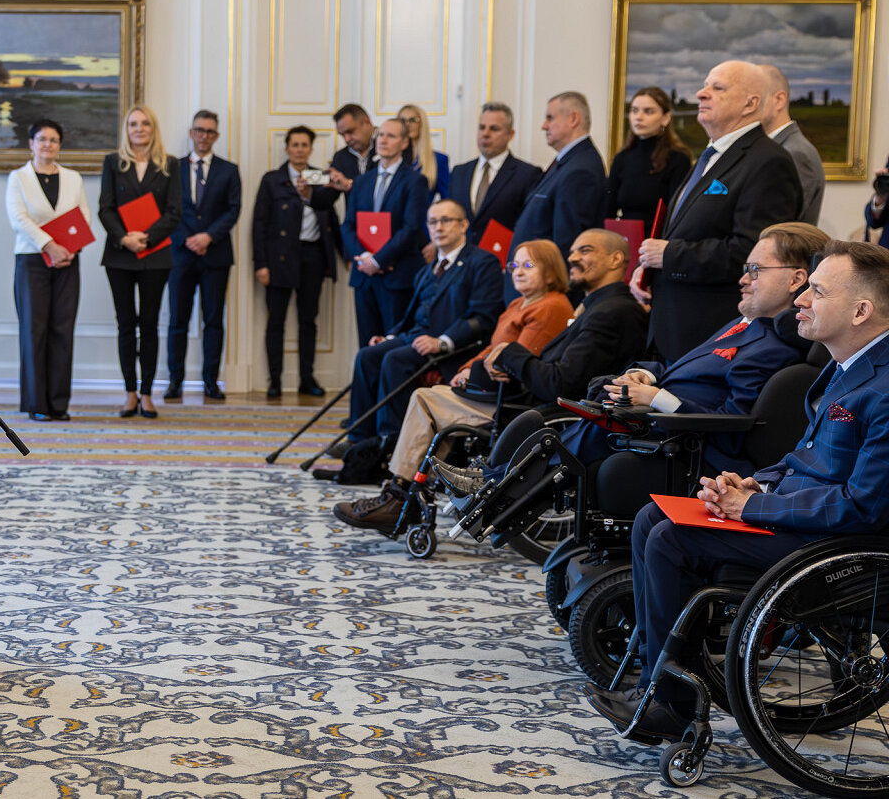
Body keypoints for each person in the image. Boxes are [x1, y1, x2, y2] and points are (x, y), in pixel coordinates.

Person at [587, 240, 889, 744]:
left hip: (842, 547)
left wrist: (755, 506)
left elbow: (864, 506)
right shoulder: (846, 367)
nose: (800, 300)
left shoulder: (883, 386)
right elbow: (806, 457)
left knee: (672, 539)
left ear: (860, 311)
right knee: (650, 519)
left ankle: (673, 705)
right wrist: (756, 483)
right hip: (801, 517)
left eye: (817, 291)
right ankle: (659, 679)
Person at [432, 223, 827, 506]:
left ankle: (494, 489)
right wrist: (647, 374)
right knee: (587, 414)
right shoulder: (741, 325)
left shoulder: (773, 346)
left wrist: (657, 399)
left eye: (755, 270)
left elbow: (736, 424)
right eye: (745, 269)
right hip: (663, 426)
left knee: (593, 425)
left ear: (796, 279)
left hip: (692, 445)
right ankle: (493, 484)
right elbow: (680, 367)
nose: (743, 279)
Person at [335, 229, 647, 531]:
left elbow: (558, 382)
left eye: (585, 250)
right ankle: (404, 494)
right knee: (419, 390)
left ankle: (400, 496)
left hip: (532, 407)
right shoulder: (591, 307)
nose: (573, 257)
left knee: (423, 398)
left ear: (616, 259)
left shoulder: (606, 311)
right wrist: (491, 361)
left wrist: (508, 354)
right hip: (521, 398)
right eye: (572, 251)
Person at [340, 239, 571, 497]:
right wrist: (466, 369)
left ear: (550, 271)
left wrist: (478, 368)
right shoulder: (519, 304)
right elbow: (493, 349)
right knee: (423, 393)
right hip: (491, 393)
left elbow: (515, 360)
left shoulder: (551, 306)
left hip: (510, 401)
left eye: (528, 265)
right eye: (514, 265)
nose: (518, 271)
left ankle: (401, 486)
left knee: (424, 399)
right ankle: (415, 479)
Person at [633, 60, 804, 362]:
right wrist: (649, 268)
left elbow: (751, 254)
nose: (701, 94)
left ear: (750, 103)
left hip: (712, 333)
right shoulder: (711, 155)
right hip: (671, 326)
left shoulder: (768, 162)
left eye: (718, 87)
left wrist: (670, 255)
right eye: (704, 85)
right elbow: (685, 232)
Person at [334, 200, 503, 452]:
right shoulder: (426, 271)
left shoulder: (482, 262)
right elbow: (412, 317)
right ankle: (359, 440)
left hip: (453, 347)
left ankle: (390, 442)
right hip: (415, 338)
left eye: (446, 220)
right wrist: (390, 336)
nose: (439, 227)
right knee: (367, 355)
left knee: (394, 359)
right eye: (432, 222)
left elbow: (483, 317)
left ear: (463, 225)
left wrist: (442, 341)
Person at [99, 105, 181, 417]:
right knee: (125, 325)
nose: (139, 129)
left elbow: (175, 211)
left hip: (155, 255)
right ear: (127, 129)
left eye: (145, 123)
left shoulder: (169, 164)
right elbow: (105, 208)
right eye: (133, 124)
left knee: (149, 325)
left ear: (153, 127)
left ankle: (147, 393)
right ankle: (130, 393)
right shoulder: (113, 162)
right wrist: (124, 238)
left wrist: (146, 238)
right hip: (120, 256)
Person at [5, 120, 89, 421]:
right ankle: (37, 404)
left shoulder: (73, 178)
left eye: (53, 140)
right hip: (32, 261)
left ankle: (58, 404)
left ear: (59, 145)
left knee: (62, 331)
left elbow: (83, 216)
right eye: (42, 139)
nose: (47, 144)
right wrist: (50, 246)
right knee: (34, 331)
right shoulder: (18, 178)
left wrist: (70, 249)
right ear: (31, 143)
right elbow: (19, 219)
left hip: (68, 261)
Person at [254, 125, 341, 399]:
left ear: (311, 149)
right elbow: (259, 224)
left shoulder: (321, 177)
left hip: (312, 255)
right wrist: (261, 264)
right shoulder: (272, 179)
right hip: (279, 258)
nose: (300, 150)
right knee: (276, 321)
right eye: (295, 145)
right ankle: (275, 380)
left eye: (305, 145)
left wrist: (341, 254)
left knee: (308, 320)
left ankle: (307, 378)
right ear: (287, 148)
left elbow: (330, 215)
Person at [165, 109, 241, 401]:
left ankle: (211, 381)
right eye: (199, 130)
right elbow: (166, 208)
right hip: (180, 255)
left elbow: (233, 210)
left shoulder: (229, 170)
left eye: (209, 131)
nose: (204, 136)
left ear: (216, 136)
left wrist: (208, 236)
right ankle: (175, 381)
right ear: (191, 133)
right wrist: (187, 239)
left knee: (213, 321)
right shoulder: (173, 168)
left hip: (216, 255)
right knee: (177, 322)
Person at [507, 91, 607, 301]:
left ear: (573, 119)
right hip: (534, 291)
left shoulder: (580, 169)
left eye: (550, 118)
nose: (544, 126)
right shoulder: (568, 162)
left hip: (546, 294)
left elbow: (568, 242)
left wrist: (551, 292)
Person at [342, 117, 430, 345]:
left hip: (397, 276)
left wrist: (379, 260)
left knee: (393, 346)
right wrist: (365, 258)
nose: (383, 140)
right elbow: (348, 225)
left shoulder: (415, 181)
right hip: (364, 275)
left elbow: (411, 228)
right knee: (366, 345)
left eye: (391, 136)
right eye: (380, 135)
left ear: (404, 143)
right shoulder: (361, 181)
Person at [450, 102, 543, 249]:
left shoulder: (528, 174)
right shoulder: (459, 172)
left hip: (503, 257)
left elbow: (530, 225)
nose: (485, 134)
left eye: (494, 129)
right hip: (462, 257)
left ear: (510, 134)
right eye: (482, 127)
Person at [605, 86, 692, 224]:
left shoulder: (678, 159)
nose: (638, 117)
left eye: (648, 111)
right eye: (634, 110)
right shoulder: (622, 158)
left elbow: (677, 216)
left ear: (665, 118)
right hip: (623, 235)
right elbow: (608, 211)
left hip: (659, 236)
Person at [759, 64, 826, 226]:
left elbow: (778, 226)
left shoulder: (795, 153)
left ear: (779, 100)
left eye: (755, 98)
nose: (746, 106)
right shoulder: (774, 149)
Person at [398, 102, 449, 199]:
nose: (407, 124)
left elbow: (447, 198)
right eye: (402, 120)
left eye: (413, 120)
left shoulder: (438, 160)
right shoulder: (391, 158)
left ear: (422, 124)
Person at [325, 102, 376, 191]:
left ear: (367, 122)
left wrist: (350, 185)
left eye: (350, 131)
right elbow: (328, 195)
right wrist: (307, 192)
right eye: (342, 135)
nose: (347, 139)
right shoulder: (341, 156)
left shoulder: (390, 147)